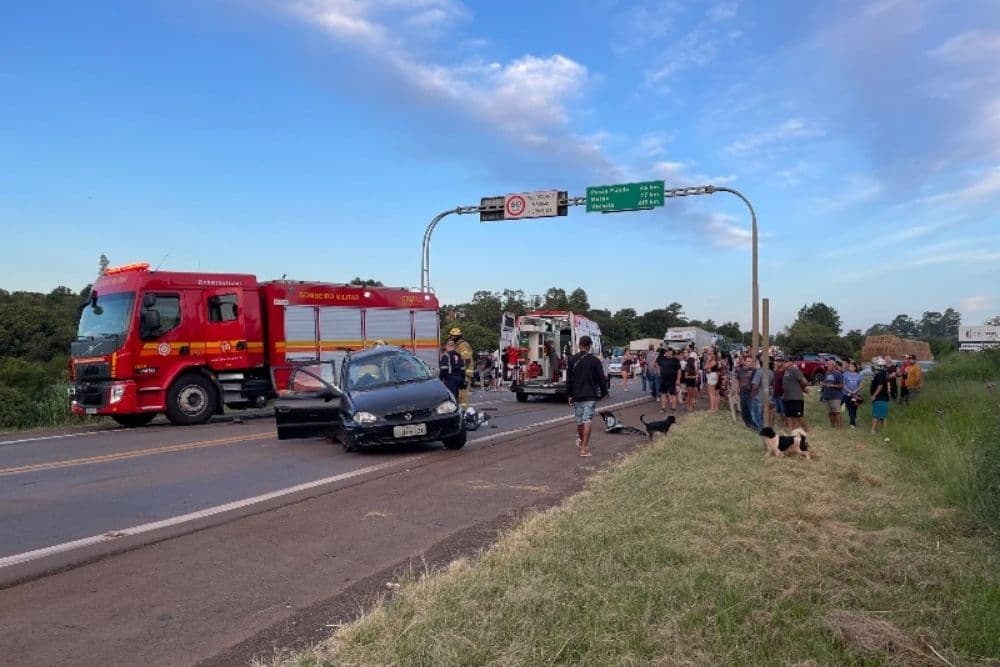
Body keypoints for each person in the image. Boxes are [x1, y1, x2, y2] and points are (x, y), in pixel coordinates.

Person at [567, 335, 608, 458]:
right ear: (590, 346)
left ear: (580, 345)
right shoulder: (595, 360)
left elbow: (569, 379)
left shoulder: (572, 359)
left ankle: (582, 442)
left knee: (579, 421)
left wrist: (569, 394)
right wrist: (604, 392)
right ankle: (584, 448)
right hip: (590, 394)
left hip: (577, 395)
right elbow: (601, 378)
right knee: (587, 420)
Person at [448, 327, 474, 409]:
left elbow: (466, 358)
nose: (452, 338)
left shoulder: (462, 345)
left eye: (453, 336)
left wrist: (463, 373)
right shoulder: (458, 345)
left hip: (465, 374)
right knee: (459, 395)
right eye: (451, 336)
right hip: (462, 374)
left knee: (462, 396)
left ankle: (464, 413)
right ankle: (460, 412)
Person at [781, 358, 809, 432]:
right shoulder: (785, 371)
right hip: (787, 397)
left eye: (786, 361)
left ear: (791, 362)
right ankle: (791, 431)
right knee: (789, 416)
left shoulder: (795, 370)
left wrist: (801, 388)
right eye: (784, 361)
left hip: (796, 397)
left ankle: (806, 430)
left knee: (798, 416)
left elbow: (805, 382)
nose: (784, 363)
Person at [820, 357, 844, 429]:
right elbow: (826, 382)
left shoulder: (838, 374)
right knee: (830, 413)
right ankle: (833, 427)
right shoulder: (827, 373)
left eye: (830, 364)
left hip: (836, 396)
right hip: (827, 395)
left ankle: (839, 428)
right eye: (827, 364)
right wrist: (823, 384)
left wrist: (832, 385)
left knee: (837, 412)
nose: (828, 366)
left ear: (834, 366)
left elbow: (842, 385)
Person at [869, 357, 891, 434]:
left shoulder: (881, 373)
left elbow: (880, 386)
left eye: (873, 364)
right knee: (882, 415)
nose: (872, 366)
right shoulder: (882, 373)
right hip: (883, 397)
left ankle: (873, 429)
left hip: (880, 397)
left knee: (876, 414)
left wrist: (874, 395)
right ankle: (884, 430)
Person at [735, 356, 755, 428]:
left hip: (751, 393)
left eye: (750, 361)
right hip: (742, 393)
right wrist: (736, 393)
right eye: (747, 361)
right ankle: (748, 424)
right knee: (744, 410)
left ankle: (754, 425)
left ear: (753, 363)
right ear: (745, 362)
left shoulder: (755, 371)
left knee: (751, 409)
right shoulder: (740, 371)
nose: (749, 363)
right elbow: (737, 382)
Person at [842, 361, 863, 429]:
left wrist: (855, 391)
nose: (850, 368)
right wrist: (849, 391)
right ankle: (852, 421)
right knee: (850, 408)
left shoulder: (859, 375)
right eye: (849, 366)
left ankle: (853, 421)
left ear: (855, 367)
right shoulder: (845, 374)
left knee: (854, 408)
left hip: (855, 395)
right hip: (847, 394)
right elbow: (843, 385)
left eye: (852, 366)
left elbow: (861, 385)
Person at [659, 347, 681, 412]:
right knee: (663, 393)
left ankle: (673, 407)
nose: (666, 352)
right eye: (665, 351)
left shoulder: (675, 360)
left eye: (667, 351)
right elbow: (658, 364)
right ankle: (663, 407)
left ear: (671, 352)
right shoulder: (662, 359)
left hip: (672, 379)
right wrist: (659, 371)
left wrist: (678, 379)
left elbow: (679, 370)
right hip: (663, 379)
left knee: (673, 393)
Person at [773, 355, 787, 428]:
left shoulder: (785, 372)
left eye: (779, 361)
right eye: (776, 361)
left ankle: (785, 424)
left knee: (784, 410)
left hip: (782, 394)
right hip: (775, 393)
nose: (777, 363)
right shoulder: (775, 372)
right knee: (779, 410)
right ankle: (782, 424)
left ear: (782, 362)